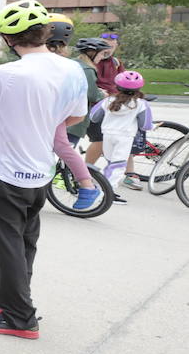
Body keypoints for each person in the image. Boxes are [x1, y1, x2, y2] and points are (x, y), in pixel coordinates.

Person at [0, 0, 87, 340]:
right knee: (22, 243)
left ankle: (20, 317)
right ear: (45, 33)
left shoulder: (6, 74)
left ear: (9, 39)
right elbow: (76, 117)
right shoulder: (71, 70)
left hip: (4, 173)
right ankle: (7, 299)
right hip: (40, 172)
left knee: (2, 244)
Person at [45, 16, 100, 210]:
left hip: (52, 114)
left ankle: (87, 185)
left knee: (63, 147)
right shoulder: (69, 64)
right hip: (58, 114)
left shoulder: (57, 63)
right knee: (62, 148)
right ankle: (86, 185)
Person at [91, 71, 152, 194]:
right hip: (125, 137)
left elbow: (93, 117)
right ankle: (108, 193)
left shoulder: (108, 101)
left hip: (107, 135)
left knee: (111, 163)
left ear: (117, 86)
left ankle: (103, 187)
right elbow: (145, 125)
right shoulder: (141, 104)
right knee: (118, 166)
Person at [75, 37, 113, 169]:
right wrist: (101, 94)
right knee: (68, 149)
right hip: (77, 118)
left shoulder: (74, 63)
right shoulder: (88, 70)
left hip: (64, 114)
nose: (102, 57)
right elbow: (91, 95)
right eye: (102, 53)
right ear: (91, 52)